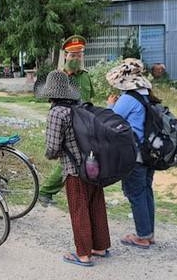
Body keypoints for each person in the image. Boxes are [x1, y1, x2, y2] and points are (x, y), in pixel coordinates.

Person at [39, 70, 111, 267]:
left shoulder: (56, 112)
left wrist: (50, 156)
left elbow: (53, 148)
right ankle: (100, 246)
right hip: (94, 165)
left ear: (50, 93)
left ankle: (84, 254)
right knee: (95, 204)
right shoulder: (81, 107)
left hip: (74, 169)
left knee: (79, 209)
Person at [106, 58, 159, 249]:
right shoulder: (147, 95)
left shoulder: (129, 98)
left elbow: (111, 121)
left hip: (134, 155)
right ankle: (149, 233)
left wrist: (110, 104)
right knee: (146, 192)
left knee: (136, 193)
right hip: (149, 154)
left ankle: (142, 236)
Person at [38, 35, 95, 207]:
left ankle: (50, 191)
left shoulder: (85, 76)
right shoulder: (58, 77)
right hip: (68, 124)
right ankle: (46, 191)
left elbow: (90, 98)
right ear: (65, 56)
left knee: (81, 158)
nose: (76, 59)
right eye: (72, 55)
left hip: (85, 123)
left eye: (79, 55)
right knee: (69, 159)